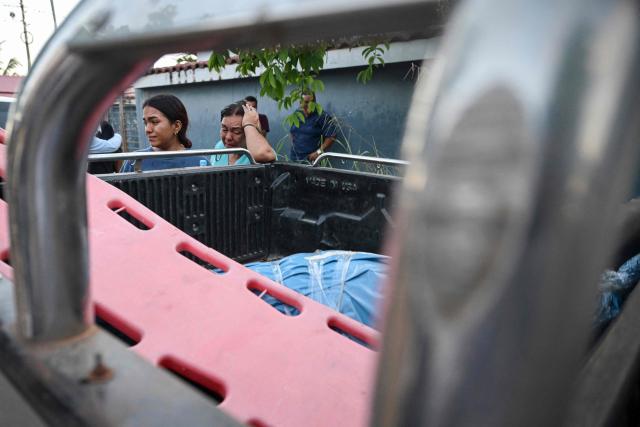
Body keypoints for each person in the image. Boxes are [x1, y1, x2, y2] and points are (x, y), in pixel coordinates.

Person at [120, 94, 209, 172]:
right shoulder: (135, 162)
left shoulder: (200, 163)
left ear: (177, 126)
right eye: (145, 123)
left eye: (154, 122)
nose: (147, 129)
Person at [210, 100, 276, 166]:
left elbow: (263, 154)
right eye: (224, 129)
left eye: (237, 131)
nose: (228, 137)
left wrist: (249, 124)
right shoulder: (220, 146)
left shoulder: (259, 150)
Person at [289, 91, 336, 162]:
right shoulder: (297, 114)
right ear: (300, 102)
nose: (308, 105)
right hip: (294, 158)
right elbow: (292, 132)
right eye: (305, 102)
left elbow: (332, 136)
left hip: (312, 161)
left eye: (311, 102)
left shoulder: (321, 115)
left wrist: (318, 152)